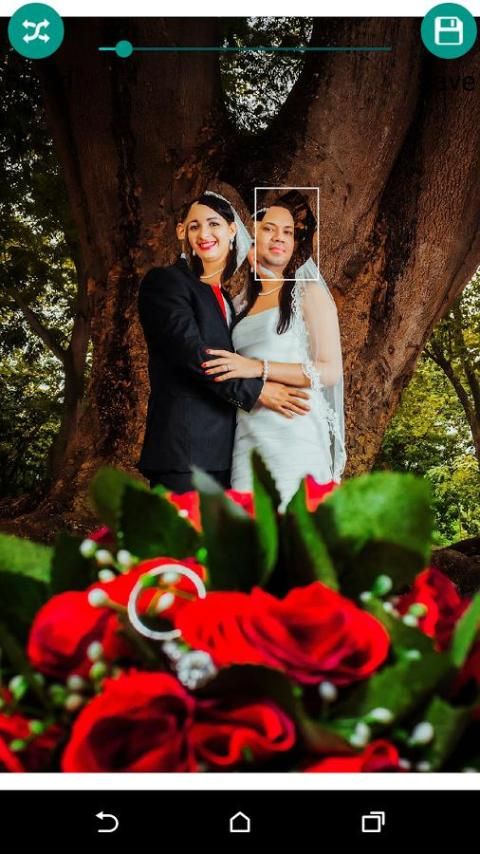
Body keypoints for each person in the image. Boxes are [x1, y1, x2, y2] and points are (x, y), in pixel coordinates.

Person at [137, 190, 311, 492]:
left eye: (214, 224)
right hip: (185, 451)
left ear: (232, 230)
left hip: (229, 454)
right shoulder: (166, 282)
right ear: (182, 232)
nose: (204, 234)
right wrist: (258, 391)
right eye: (194, 226)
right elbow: (194, 355)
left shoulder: (228, 300)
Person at [203, 192, 346, 507]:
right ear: (252, 237)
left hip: (297, 431)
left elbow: (330, 370)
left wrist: (258, 368)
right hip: (248, 436)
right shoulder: (236, 305)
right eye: (269, 229)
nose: (279, 237)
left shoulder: (308, 294)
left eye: (288, 232)